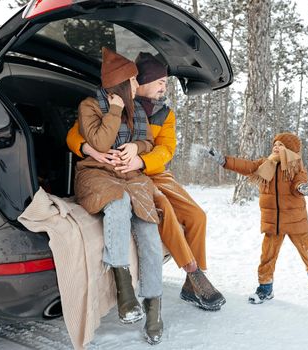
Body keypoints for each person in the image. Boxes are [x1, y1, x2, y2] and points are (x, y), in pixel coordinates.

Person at [67, 52, 226, 311]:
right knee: (166, 213)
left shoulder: (165, 114)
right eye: (160, 81)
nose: (164, 86)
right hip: (129, 175)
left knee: (197, 216)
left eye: (166, 82)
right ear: (138, 81)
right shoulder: (114, 103)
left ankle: (192, 282)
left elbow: (166, 149)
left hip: (153, 171)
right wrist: (88, 149)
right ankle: (194, 272)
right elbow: (75, 134)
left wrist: (140, 160)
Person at [74, 47, 163, 344]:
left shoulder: (137, 109)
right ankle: (125, 293)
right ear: (122, 83)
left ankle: (154, 305)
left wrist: (137, 150)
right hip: (96, 174)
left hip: (131, 175)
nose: (138, 86)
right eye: (134, 81)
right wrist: (114, 110)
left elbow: (149, 141)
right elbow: (99, 140)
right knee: (117, 202)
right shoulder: (90, 105)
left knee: (150, 229)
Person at [204, 132, 308, 304]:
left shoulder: (296, 165)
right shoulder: (265, 164)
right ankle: (265, 289)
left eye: (281, 145)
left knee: (306, 251)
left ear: (290, 149)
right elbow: (247, 166)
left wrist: (303, 187)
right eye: (275, 144)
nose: (276, 147)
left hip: (295, 220)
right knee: (267, 256)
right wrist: (224, 160)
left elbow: (299, 181)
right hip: (273, 221)